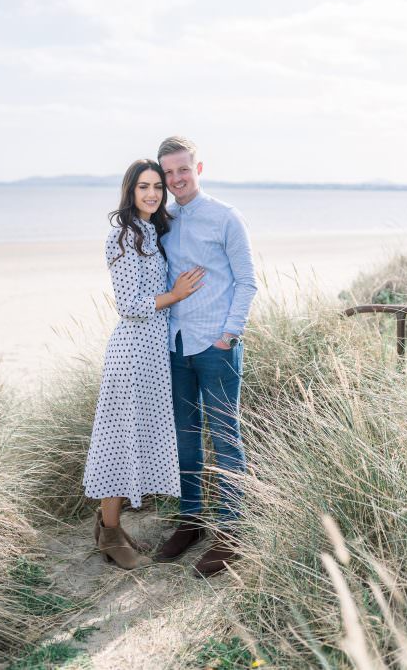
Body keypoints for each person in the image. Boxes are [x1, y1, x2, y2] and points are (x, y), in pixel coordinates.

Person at [83, 159, 204, 569]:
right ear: (130, 191)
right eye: (143, 187)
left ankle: (109, 525)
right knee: (119, 440)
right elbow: (130, 306)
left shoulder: (152, 231)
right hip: (132, 354)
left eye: (157, 187)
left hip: (154, 355)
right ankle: (110, 533)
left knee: (134, 439)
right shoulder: (122, 236)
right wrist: (176, 295)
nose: (152, 193)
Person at [155, 136, 257, 577]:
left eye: (183, 169)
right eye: (168, 172)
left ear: (198, 169)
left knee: (226, 438)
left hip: (216, 346)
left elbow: (247, 281)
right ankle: (192, 521)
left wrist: (229, 335)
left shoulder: (226, 217)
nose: (176, 178)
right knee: (185, 439)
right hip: (176, 345)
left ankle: (231, 534)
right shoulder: (163, 219)